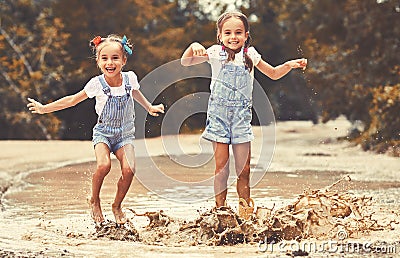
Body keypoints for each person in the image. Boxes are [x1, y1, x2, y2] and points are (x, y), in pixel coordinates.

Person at [27, 34, 164, 225]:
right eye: (105, 58)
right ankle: (95, 199)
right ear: (98, 61)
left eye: (115, 58)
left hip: (125, 135)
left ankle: (117, 205)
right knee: (103, 166)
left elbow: (135, 92)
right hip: (104, 134)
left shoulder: (130, 78)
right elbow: (72, 100)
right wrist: (44, 108)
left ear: (124, 60)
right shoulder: (96, 84)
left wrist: (149, 107)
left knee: (130, 168)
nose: (110, 62)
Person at [181, 11, 307, 219]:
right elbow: (186, 63)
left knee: (244, 170)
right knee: (222, 169)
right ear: (220, 35)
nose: (233, 37)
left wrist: (289, 65)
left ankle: (245, 212)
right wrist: (192, 46)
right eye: (228, 32)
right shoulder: (214, 52)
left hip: (241, 118)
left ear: (246, 35)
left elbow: (273, 73)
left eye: (238, 32)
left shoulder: (251, 55)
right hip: (218, 117)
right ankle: (220, 211)